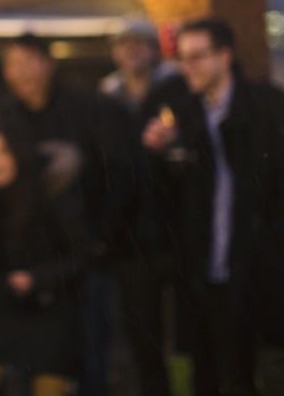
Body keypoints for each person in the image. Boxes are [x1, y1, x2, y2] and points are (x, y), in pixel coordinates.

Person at [141, 17, 284, 396]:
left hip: (262, 271)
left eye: (197, 57)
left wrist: (273, 245)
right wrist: (160, 154)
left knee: (275, 376)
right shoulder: (184, 113)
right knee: (223, 377)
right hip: (208, 276)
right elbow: (166, 199)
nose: (188, 67)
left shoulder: (268, 106)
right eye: (182, 58)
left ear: (224, 56)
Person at [0, 34, 141, 396]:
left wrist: (103, 238)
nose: (22, 72)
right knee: (35, 357)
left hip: (86, 256)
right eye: (12, 64)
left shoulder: (89, 108)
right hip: (34, 260)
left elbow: (122, 174)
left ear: (49, 63)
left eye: (30, 61)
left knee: (91, 352)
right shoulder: (5, 120)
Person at [0, 122, 88, 396]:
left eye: (2, 152)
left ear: (18, 153)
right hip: (6, 309)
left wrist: (38, 279)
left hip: (51, 309)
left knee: (49, 388)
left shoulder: (50, 194)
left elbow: (81, 258)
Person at [99, 20, 176, 396]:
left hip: (177, 235)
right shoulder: (106, 100)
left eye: (139, 43)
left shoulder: (176, 90)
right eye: (123, 44)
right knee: (142, 338)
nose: (131, 50)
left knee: (190, 333)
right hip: (128, 239)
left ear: (153, 49)